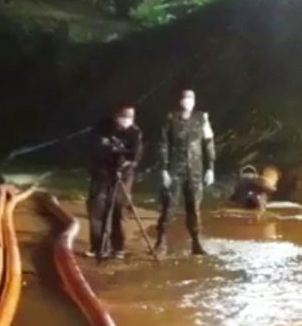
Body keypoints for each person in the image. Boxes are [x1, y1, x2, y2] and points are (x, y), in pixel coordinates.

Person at [155, 89, 216, 256]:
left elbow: (209, 143)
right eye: (184, 98)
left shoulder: (201, 118)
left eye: (190, 98)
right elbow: (163, 144)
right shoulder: (170, 118)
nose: (187, 101)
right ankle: (161, 241)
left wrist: (210, 168)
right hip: (175, 170)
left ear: (194, 101)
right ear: (179, 100)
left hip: (195, 170)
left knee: (194, 208)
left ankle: (196, 243)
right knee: (169, 206)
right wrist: (163, 169)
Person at [86, 105, 142, 259]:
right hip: (102, 174)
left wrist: (125, 164)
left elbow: (136, 155)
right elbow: (95, 149)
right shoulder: (101, 129)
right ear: (116, 116)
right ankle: (97, 246)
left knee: (120, 210)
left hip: (123, 176)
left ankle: (119, 248)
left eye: (130, 117)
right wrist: (110, 155)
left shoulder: (135, 132)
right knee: (98, 208)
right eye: (123, 116)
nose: (126, 120)